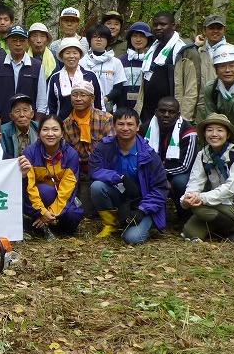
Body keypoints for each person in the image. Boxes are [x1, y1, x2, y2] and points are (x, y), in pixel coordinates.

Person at [89, 107, 168, 244]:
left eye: (130, 124)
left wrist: (141, 211)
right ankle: (111, 225)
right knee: (97, 186)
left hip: (144, 203)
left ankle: (146, 223)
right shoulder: (104, 146)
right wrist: (119, 178)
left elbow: (160, 189)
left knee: (133, 239)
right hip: (120, 195)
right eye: (121, 124)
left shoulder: (149, 154)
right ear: (114, 126)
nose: (125, 128)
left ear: (137, 127)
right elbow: (94, 169)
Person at [180, 113, 234, 243]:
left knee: (199, 209)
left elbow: (230, 189)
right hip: (216, 203)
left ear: (228, 134)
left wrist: (201, 198)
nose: (214, 134)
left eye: (220, 130)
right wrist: (187, 198)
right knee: (189, 233)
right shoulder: (203, 154)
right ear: (204, 133)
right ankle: (223, 227)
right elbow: (195, 182)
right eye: (209, 130)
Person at [21, 115, 82, 238]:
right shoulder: (30, 152)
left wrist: (50, 214)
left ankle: (49, 224)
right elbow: (30, 187)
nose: (50, 134)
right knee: (46, 190)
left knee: (73, 215)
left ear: (62, 133)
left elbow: (68, 188)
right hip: (37, 200)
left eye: (55, 129)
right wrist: (42, 212)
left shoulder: (71, 154)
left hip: (61, 199)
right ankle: (36, 221)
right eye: (45, 129)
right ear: (39, 133)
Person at [61, 80, 115, 215]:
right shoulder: (66, 123)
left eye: (83, 95)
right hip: (81, 173)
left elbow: (113, 148)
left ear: (92, 98)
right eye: (74, 95)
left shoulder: (106, 119)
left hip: (103, 170)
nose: (78, 99)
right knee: (84, 213)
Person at [136, 11, 200, 122]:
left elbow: (192, 88)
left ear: (173, 26)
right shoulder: (151, 50)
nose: (158, 28)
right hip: (148, 111)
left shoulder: (185, 50)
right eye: (155, 25)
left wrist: (184, 117)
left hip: (171, 114)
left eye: (163, 24)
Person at [144, 96, 198, 219]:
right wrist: (160, 177)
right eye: (162, 111)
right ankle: (149, 215)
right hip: (153, 172)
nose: (166, 115)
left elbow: (185, 165)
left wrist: (161, 175)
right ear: (156, 112)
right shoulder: (145, 128)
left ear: (178, 114)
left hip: (178, 173)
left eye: (171, 112)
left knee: (180, 182)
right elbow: (141, 157)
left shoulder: (188, 131)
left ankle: (184, 216)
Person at [0, 25, 49, 123]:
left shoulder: (36, 66)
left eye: (22, 41)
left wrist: (37, 123)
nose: (18, 44)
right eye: (14, 40)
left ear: (27, 43)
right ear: (7, 42)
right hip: (2, 119)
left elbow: (41, 98)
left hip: (28, 122)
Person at [47, 37, 104, 119]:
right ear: (62, 56)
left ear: (80, 55)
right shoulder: (55, 78)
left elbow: (99, 103)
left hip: (89, 124)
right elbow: (51, 107)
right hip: (62, 125)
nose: (71, 56)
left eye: (75, 53)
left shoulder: (90, 76)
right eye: (67, 53)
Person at [80, 24, 126, 111]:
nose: (99, 39)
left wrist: (105, 99)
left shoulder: (115, 62)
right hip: (85, 107)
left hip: (107, 108)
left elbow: (118, 88)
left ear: (108, 40)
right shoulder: (82, 61)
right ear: (89, 40)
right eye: (95, 36)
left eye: (102, 37)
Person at [118, 22, 153, 111]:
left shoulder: (153, 61)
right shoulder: (120, 61)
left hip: (146, 109)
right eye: (134, 36)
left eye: (142, 36)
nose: (138, 39)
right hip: (123, 107)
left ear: (148, 38)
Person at [195, 14, 228, 101]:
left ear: (224, 30)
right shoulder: (198, 52)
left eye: (219, 28)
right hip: (202, 103)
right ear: (204, 31)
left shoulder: (232, 51)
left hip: (226, 101)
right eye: (211, 28)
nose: (215, 31)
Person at [0, 93, 39, 159]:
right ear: (11, 116)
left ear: (32, 114)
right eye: (17, 111)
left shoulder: (40, 129)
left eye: (25, 110)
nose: (22, 115)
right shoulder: (3, 132)